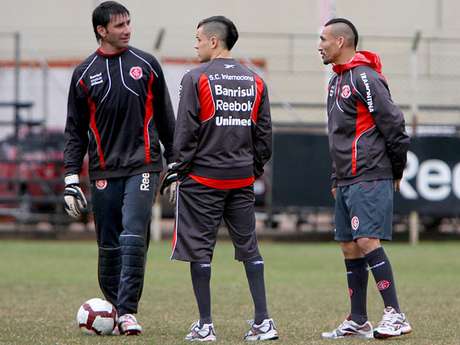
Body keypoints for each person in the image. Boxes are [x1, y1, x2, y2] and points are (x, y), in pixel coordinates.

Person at [161, 16, 278, 342]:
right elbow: (265, 135)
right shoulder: (255, 80)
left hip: (203, 179)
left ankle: (205, 326)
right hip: (241, 179)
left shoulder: (195, 77)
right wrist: (252, 169)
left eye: (198, 38)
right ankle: (263, 322)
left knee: (200, 250)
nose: (195, 44)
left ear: (214, 41)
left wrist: (176, 168)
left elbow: (186, 130)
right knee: (249, 248)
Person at [63, 1, 175, 335]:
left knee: (133, 234)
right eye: (119, 25)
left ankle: (128, 312)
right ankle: (113, 307)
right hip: (102, 170)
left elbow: (167, 119)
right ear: (102, 30)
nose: (127, 29)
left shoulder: (147, 65)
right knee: (108, 244)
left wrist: (175, 164)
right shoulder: (83, 74)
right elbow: (74, 130)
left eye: (128, 23)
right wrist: (71, 178)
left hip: (143, 165)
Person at [317, 18, 412, 339]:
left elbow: (395, 127)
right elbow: (338, 136)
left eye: (324, 39)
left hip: (370, 173)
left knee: (367, 240)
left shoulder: (365, 78)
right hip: (345, 178)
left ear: (341, 42)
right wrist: (335, 176)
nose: (320, 45)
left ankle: (395, 314)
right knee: (349, 246)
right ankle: (358, 319)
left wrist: (396, 170)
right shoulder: (334, 81)